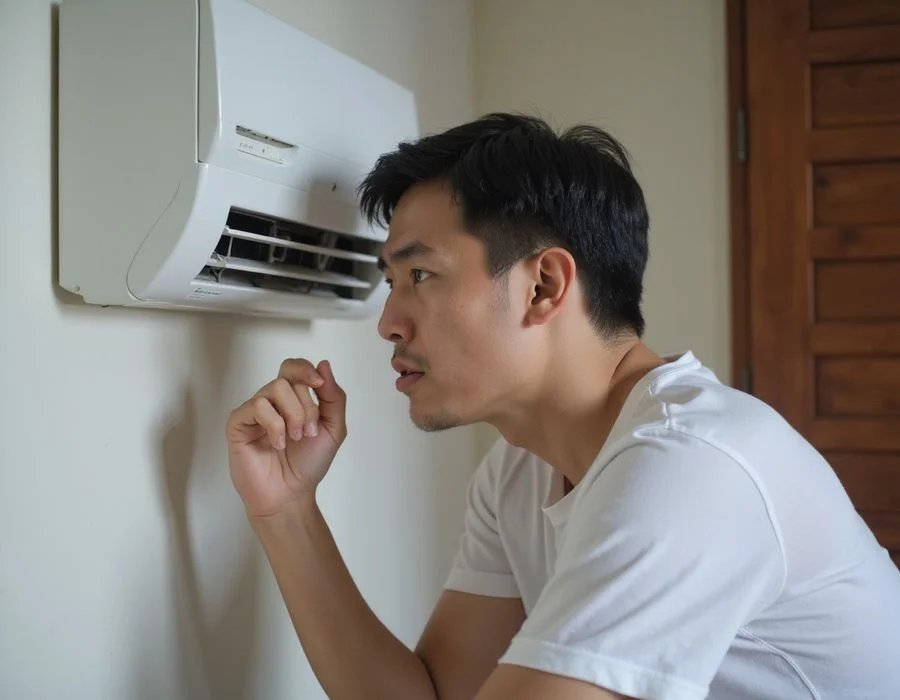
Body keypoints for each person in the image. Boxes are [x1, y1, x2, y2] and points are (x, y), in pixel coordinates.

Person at [225, 113, 900, 700]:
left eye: (421, 275)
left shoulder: (691, 467)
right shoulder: (514, 473)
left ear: (544, 285)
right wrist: (286, 511)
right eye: (392, 283)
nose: (390, 323)